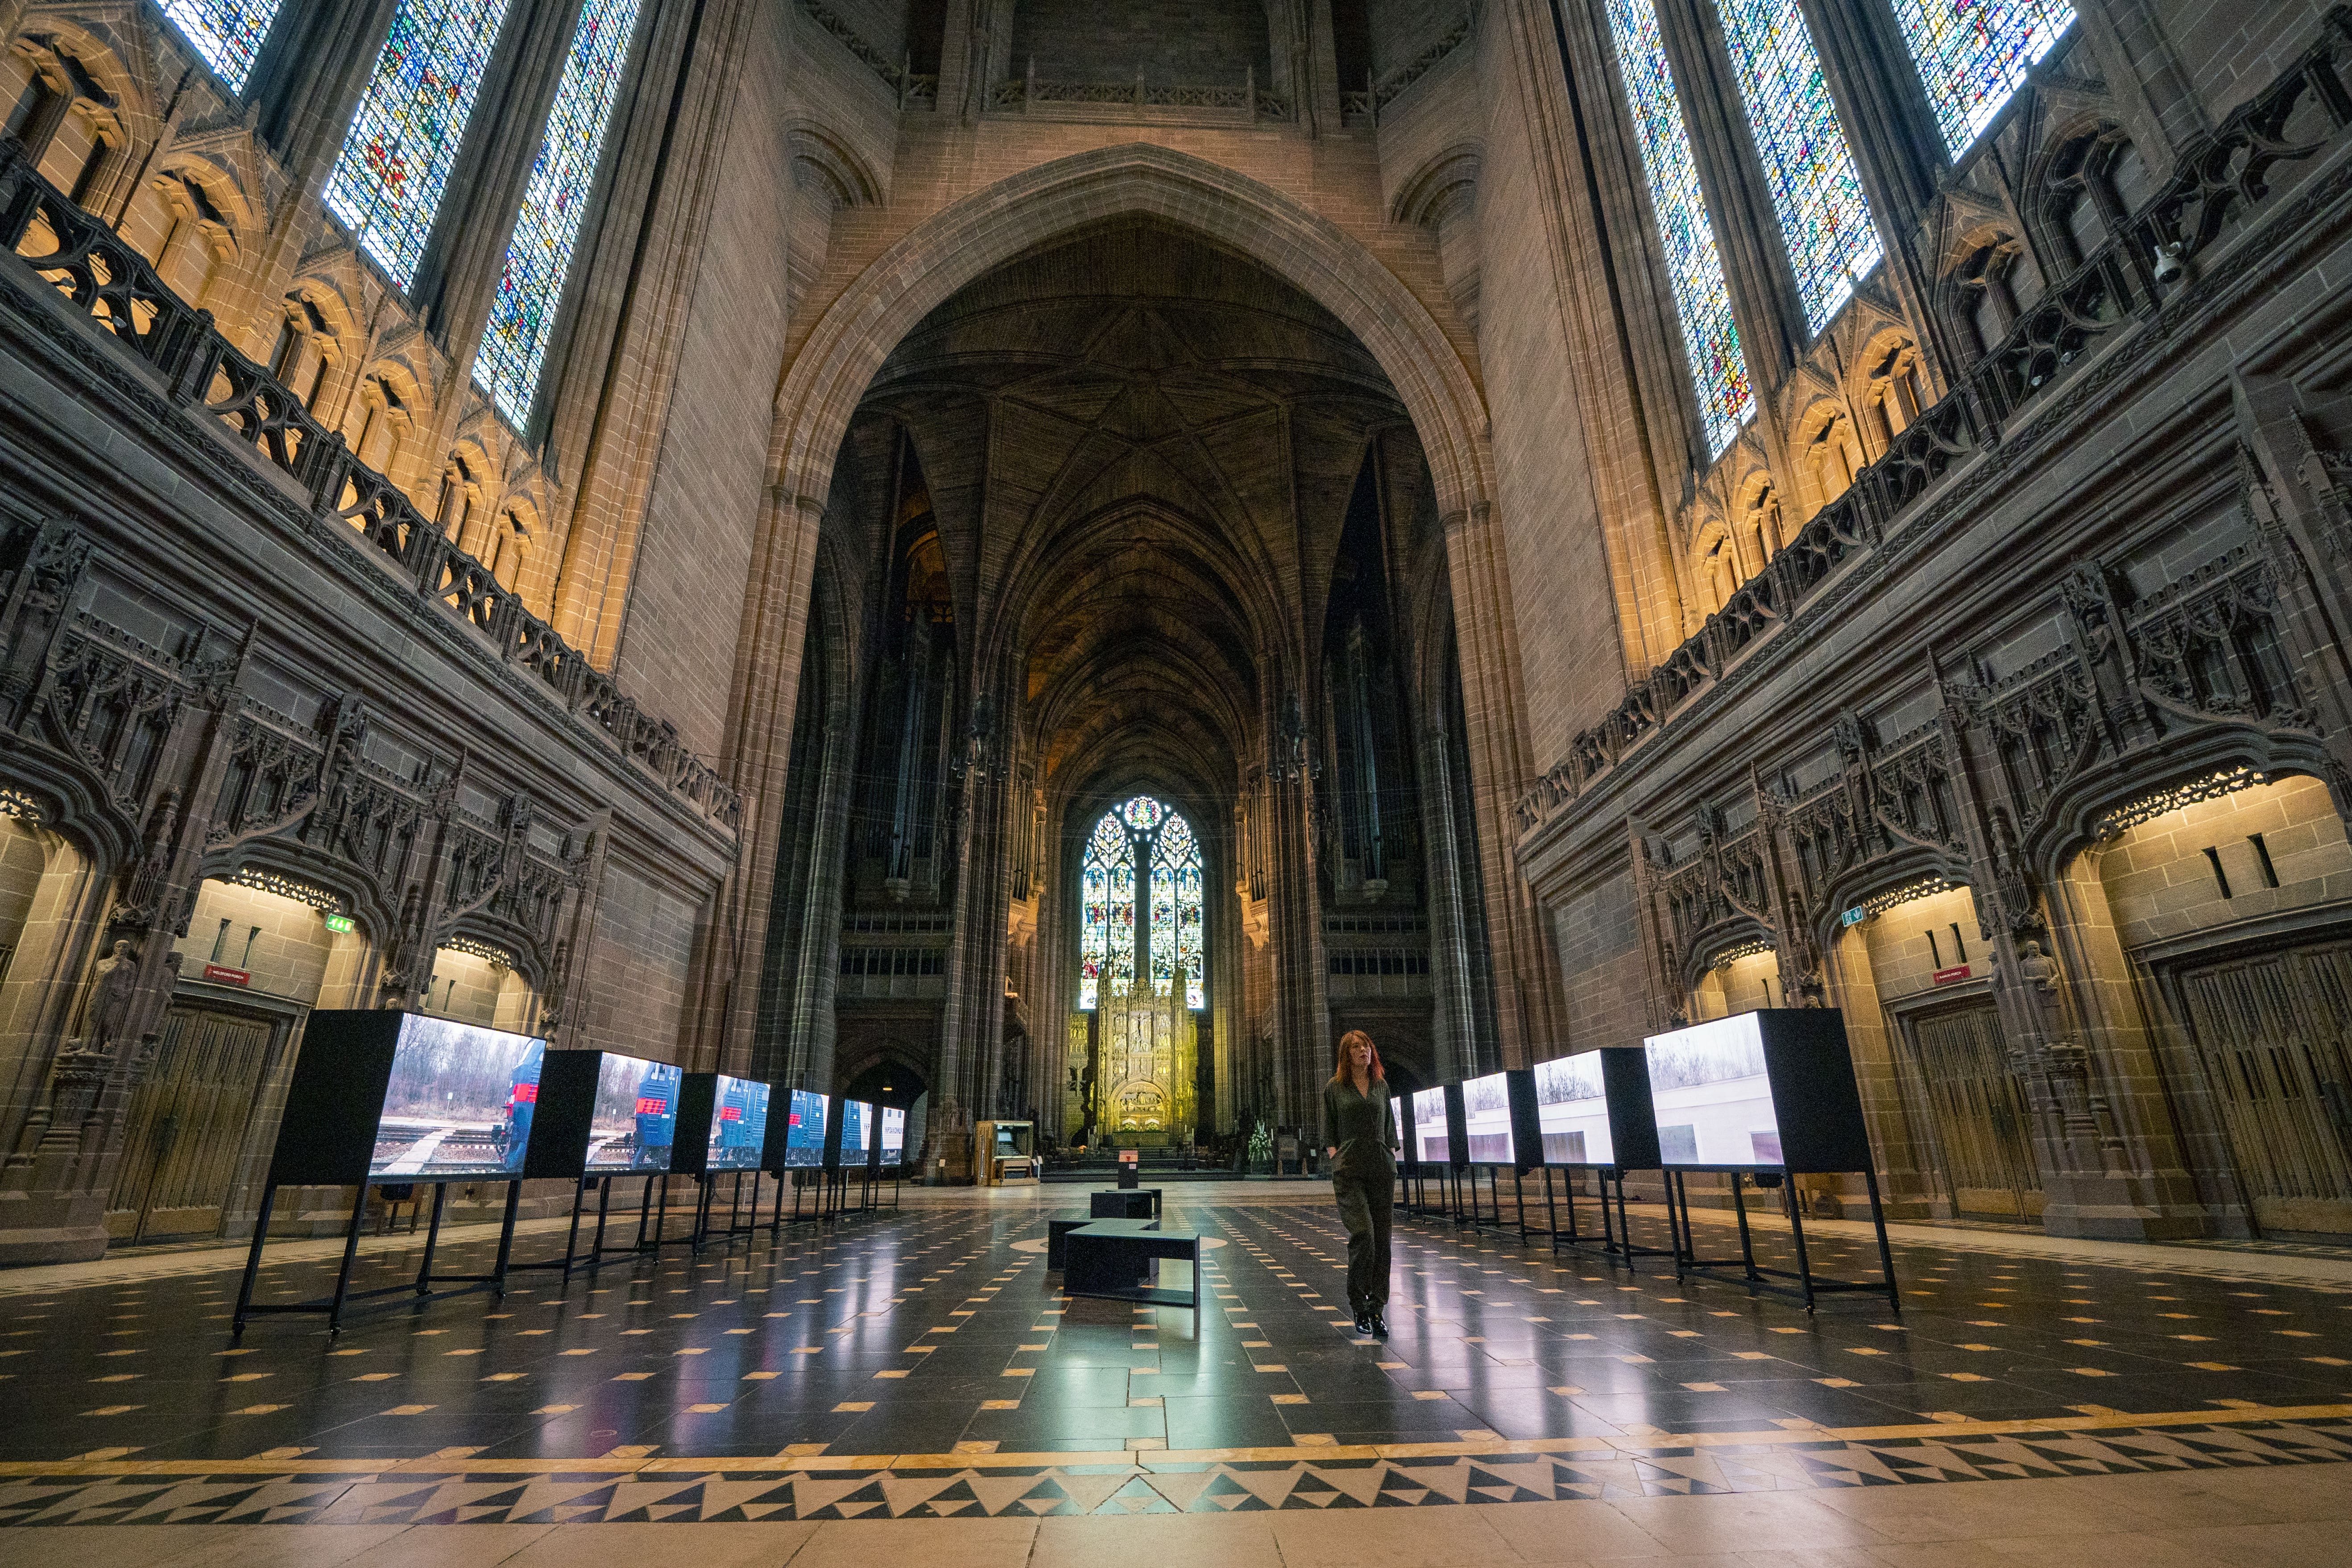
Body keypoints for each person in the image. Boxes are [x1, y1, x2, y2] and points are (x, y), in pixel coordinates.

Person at [1322, 1029, 1397, 1336]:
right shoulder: (1335, 1088)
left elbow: (1390, 1127)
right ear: (1347, 1054)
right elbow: (1329, 1131)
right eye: (1356, 1046)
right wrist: (1336, 1156)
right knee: (1364, 1234)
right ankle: (1358, 1303)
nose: (1363, 1050)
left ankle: (1376, 1309)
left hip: (1381, 1169)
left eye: (1366, 1045)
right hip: (1350, 1170)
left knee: (1383, 1241)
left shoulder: (1381, 1086)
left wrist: (1391, 1156)